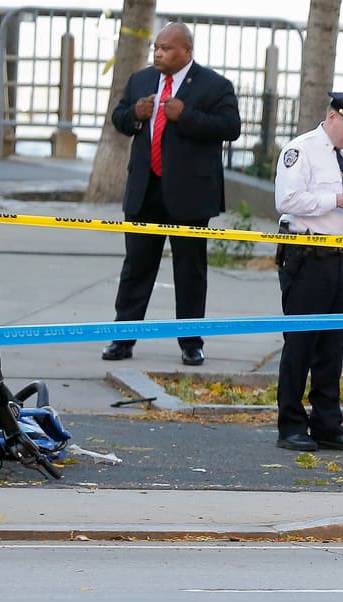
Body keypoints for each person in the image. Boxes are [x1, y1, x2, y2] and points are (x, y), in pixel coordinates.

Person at [100, 22, 241, 367]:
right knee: (136, 267)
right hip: (145, 189)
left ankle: (191, 342)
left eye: (166, 48)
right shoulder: (141, 80)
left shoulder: (214, 85)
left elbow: (230, 128)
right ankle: (123, 339)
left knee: (189, 271)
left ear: (186, 52)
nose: (158, 53)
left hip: (189, 195)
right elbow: (119, 118)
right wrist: (134, 114)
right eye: (156, 48)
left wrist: (186, 116)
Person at [270, 92, 343, 452]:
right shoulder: (301, 150)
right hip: (307, 254)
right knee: (301, 343)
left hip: (339, 256)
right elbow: (286, 200)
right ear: (334, 117)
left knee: (333, 346)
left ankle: (327, 423)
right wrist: (336, 200)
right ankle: (290, 424)